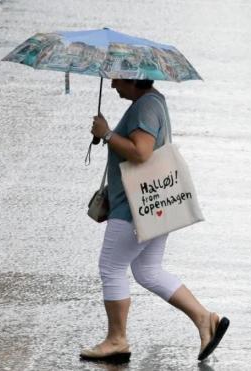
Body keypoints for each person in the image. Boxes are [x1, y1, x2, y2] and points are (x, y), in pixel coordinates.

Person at [80, 79, 229, 363]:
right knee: (147, 270)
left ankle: (116, 340)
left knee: (111, 267)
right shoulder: (153, 101)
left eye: (118, 78)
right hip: (154, 204)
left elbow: (142, 152)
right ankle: (204, 319)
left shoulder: (145, 106)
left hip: (136, 206)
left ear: (134, 78)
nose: (112, 84)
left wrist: (108, 134)